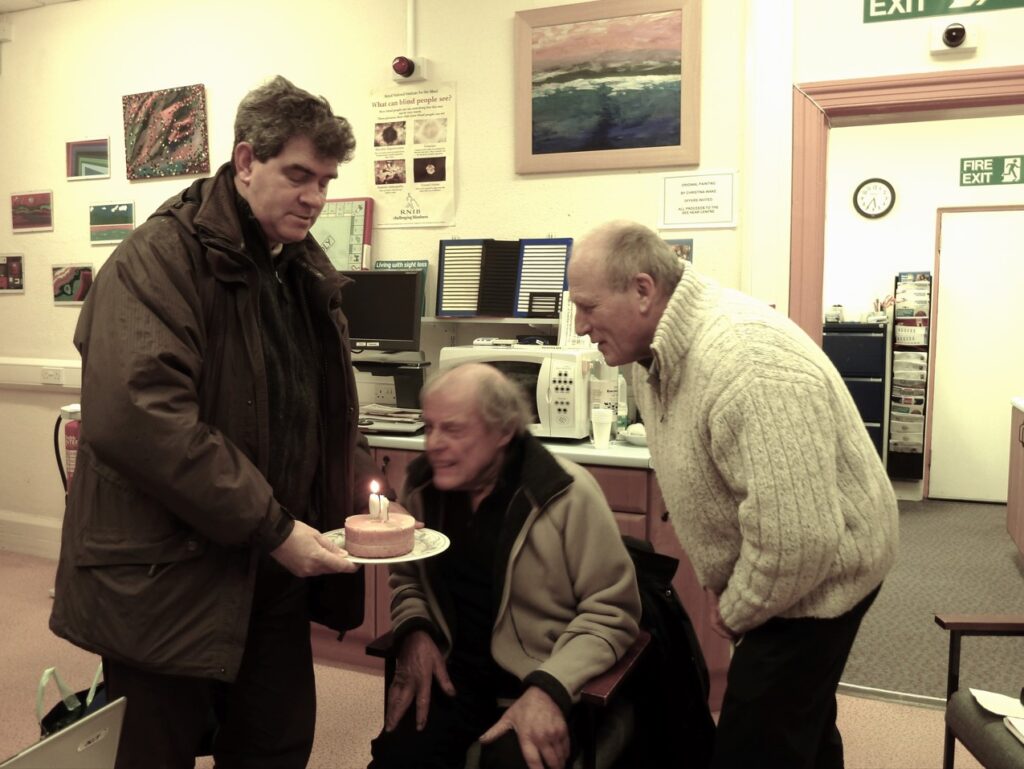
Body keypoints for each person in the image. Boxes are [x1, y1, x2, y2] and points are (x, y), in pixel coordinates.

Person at [49, 76, 384, 769]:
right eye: (299, 175)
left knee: (274, 743)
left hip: (268, 564)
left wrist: (362, 495)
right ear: (245, 160)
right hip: (164, 576)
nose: (316, 198)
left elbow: (320, 411)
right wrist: (274, 526)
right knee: (156, 752)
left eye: (325, 180)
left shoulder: (297, 269)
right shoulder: (155, 261)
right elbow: (143, 416)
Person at [567, 220, 899, 769]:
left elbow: (798, 540)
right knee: (801, 725)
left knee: (755, 742)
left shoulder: (746, 359)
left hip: (818, 579)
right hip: (786, 570)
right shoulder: (656, 353)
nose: (580, 327)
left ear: (644, 291)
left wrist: (737, 606)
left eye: (588, 307)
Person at [369, 363, 641, 769]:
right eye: (430, 427)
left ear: (502, 432)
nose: (435, 444)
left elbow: (612, 614)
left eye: (454, 429)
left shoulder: (566, 494)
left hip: (537, 678)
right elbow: (408, 580)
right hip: (451, 677)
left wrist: (549, 689)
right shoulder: (422, 488)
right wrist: (415, 631)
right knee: (397, 758)